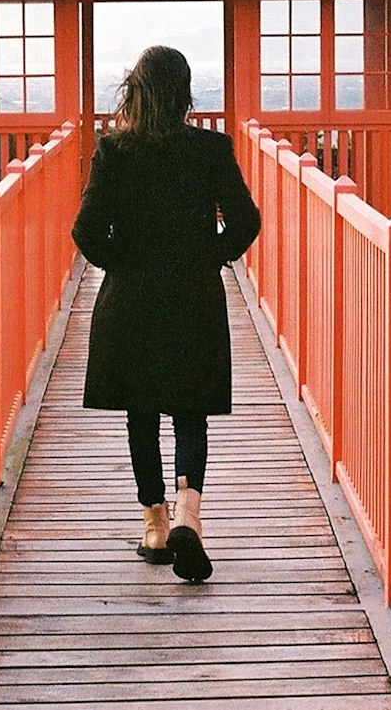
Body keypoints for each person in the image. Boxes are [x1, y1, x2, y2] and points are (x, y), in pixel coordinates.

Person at [71, 44, 261, 582]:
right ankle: (189, 515)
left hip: (131, 300)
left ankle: (154, 526)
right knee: (190, 409)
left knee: (142, 411)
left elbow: (84, 231)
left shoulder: (114, 152)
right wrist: (214, 254)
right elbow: (246, 220)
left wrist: (121, 265)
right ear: (185, 95)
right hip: (193, 295)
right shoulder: (211, 149)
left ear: (138, 89)